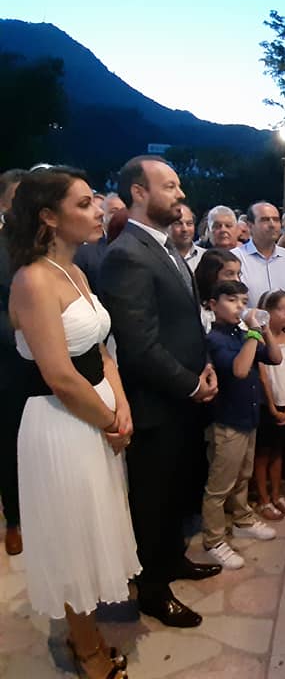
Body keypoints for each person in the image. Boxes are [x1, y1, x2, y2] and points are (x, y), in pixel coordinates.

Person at [6, 166, 138, 678]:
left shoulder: (75, 271)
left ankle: (86, 630)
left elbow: (100, 348)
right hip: (62, 422)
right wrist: (110, 421)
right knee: (72, 538)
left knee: (92, 525)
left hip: (96, 415)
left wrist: (121, 403)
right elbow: (60, 375)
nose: (98, 210)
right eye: (83, 204)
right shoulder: (33, 279)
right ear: (48, 216)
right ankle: (86, 650)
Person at [98, 155, 221, 629]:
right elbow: (139, 344)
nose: (180, 194)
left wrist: (204, 365)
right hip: (156, 402)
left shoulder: (164, 246)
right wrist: (191, 385)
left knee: (174, 492)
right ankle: (151, 589)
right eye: (169, 186)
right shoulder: (126, 254)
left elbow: (184, 321)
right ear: (138, 192)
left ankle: (172, 560)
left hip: (183, 396)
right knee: (152, 499)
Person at [202, 280, 281, 570]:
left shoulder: (242, 333)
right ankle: (213, 539)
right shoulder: (214, 339)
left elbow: (275, 357)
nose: (240, 306)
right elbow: (239, 369)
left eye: (244, 301)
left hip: (248, 418)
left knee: (243, 475)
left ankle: (242, 520)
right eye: (232, 300)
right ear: (213, 305)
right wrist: (253, 332)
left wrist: (265, 329)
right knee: (219, 485)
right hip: (227, 422)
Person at [0, 168, 27, 556]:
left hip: (50, 362)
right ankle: (15, 520)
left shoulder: (45, 244)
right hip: (10, 360)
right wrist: (27, 337)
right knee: (10, 442)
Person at [255, 290, 285, 520]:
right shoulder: (260, 340)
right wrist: (272, 408)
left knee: (278, 452)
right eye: (281, 309)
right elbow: (264, 377)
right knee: (263, 454)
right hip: (267, 406)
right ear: (267, 312)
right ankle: (263, 499)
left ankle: (276, 493)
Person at [232, 201, 285, 315]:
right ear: (250, 225)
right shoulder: (235, 259)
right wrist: (260, 321)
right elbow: (230, 302)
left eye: (276, 220)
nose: (272, 224)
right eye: (265, 220)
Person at [74, 192, 126, 293]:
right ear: (103, 215)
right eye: (114, 211)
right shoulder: (85, 254)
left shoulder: (141, 248)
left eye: (123, 210)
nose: (120, 215)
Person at [195, 249, 243, 333]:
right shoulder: (198, 310)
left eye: (238, 274)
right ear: (211, 275)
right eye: (230, 274)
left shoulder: (238, 306)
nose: (237, 280)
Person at [168, 203, 205, 271]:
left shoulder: (205, 257)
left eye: (189, 224)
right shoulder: (159, 256)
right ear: (167, 227)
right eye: (178, 224)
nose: (185, 229)